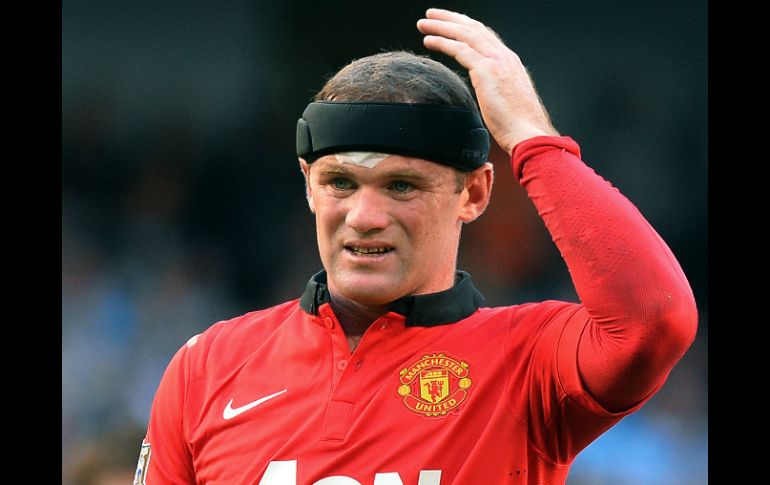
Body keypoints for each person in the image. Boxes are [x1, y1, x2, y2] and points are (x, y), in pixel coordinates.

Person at [136, 8, 698, 485]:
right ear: (308, 186)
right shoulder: (208, 366)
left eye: (401, 186)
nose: (364, 217)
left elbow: (655, 318)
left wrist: (533, 140)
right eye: (340, 183)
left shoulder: (532, 362)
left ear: (473, 193)